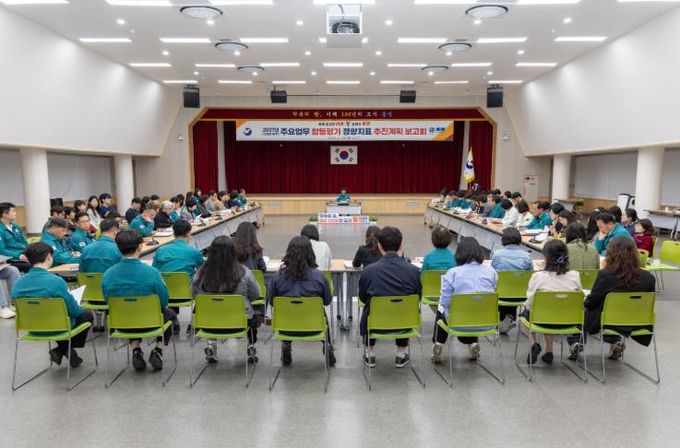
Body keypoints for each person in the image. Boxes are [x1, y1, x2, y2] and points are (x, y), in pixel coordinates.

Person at [570, 237, 656, 360]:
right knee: (612, 311)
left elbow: (591, 302)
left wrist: (585, 299)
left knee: (581, 308)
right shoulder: (649, 278)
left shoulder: (606, 275)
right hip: (637, 321)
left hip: (608, 320)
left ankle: (577, 341)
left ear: (611, 253)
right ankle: (615, 341)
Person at [11, 242, 94, 367]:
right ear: (49, 257)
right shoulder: (56, 281)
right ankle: (62, 349)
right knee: (86, 315)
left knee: (54, 317)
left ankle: (63, 349)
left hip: (32, 327)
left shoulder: (18, 283)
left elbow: (14, 303)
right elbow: (74, 311)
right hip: (57, 326)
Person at [102, 230, 175, 371]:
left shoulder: (108, 274)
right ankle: (158, 350)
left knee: (129, 311)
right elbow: (164, 301)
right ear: (140, 246)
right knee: (170, 313)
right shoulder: (152, 272)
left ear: (118, 247)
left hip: (121, 323)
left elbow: (107, 299)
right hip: (151, 321)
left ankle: (136, 350)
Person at [267, 236, 335, 366]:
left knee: (288, 312)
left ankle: (286, 343)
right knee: (321, 313)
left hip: (285, 328)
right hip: (314, 327)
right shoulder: (319, 277)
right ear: (310, 254)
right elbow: (327, 301)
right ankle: (327, 344)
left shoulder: (277, 277)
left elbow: (271, 301)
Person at [192, 236, 261, 364]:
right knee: (253, 312)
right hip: (239, 323)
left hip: (208, 324)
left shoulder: (200, 274)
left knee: (208, 309)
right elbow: (256, 294)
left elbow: (193, 294)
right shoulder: (244, 272)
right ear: (233, 252)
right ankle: (251, 345)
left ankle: (211, 344)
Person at [359, 227, 421, 368]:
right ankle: (401, 354)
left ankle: (370, 353)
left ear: (379, 245)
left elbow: (363, 298)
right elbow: (418, 297)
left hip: (375, 324)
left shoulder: (369, 271)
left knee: (369, 308)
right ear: (401, 246)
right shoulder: (413, 271)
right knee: (406, 307)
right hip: (404, 323)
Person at [432, 237, 497, 363]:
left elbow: (445, 302)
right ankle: (473, 344)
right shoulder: (491, 272)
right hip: (485, 321)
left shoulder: (452, 273)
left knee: (442, 308)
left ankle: (438, 343)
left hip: (458, 322)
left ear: (459, 253)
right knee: (475, 308)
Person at [523, 240, 582, 365]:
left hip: (543, 320)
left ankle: (534, 344)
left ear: (546, 258)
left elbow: (530, 304)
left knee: (528, 314)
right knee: (550, 311)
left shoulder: (538, 277)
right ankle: (548, 350)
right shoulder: (575, 276)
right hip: (569, 322)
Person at [152, 219, 204, 333]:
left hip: (165, 292)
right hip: (187, 292)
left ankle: (173, 320)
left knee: (171, 280)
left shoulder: (161, 250)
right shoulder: (194, 251)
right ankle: (195, 323)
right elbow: (202, 270)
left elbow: (154, 270)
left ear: (174, 233)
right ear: (188, 234)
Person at [491, 228, 534, 334]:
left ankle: (505, 319)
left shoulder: (497, 254)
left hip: (501, 294)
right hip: (521, 295)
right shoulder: (527, 256)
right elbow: (530, 275)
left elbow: (493, 273)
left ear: (503, 239)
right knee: (515, 286)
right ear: (519, 239)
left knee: (504, 287)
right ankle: (509, 317)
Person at [0, 202, 29, 272]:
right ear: (4, 214)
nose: (15, 213)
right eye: (13, 211)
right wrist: (19, 256)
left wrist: (29, 253)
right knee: (31, 265)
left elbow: (24, 242)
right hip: (9, 258)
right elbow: (1, 250)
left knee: (42, 259)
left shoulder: (16, 227)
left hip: (22, 255)